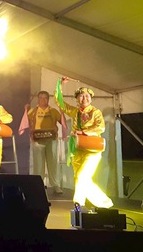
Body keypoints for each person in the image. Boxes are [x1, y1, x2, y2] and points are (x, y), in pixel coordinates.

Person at [54, 76, 113, 209]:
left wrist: (84, 132)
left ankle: (78, 203)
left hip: (92, 150)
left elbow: (100, 127)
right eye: (81, 96)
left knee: (82, 176)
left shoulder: (95, 112)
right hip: (77, 149)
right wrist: (60, 84)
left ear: (91, 98)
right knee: (80, 178)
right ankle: (104, 202)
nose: (84, 98)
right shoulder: (75, 112)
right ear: (76, 99)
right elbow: (59, 102)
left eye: (87, 96)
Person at [23, 90, 66, 194]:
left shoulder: (53, 111)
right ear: (38, 99)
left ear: (48, 99)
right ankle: (39, 185)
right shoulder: (33, 111)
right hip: (38, 141)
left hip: (51, 140)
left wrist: (62, 111)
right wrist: (26, 110)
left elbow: (62, 122)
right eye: (41, 97)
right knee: (38, 164)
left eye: (45, 98)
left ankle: (55, 185)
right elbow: (26, 122)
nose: (43, 100)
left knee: (53, 163)